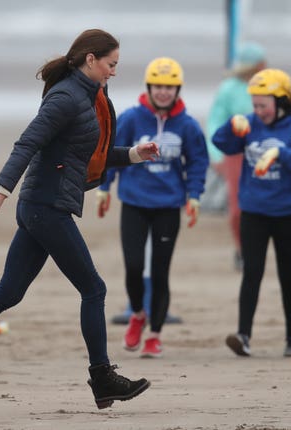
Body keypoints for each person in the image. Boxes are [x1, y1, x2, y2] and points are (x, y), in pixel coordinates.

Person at [0, 29, 158, 410]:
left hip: (42, 205)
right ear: (90, 60)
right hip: (46, 207)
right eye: (111, 65)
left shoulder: (90, 96)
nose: (114, 72)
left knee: (8, 292)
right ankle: (103, 378)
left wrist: (135, 155)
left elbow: (86, 154)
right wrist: (0, 189)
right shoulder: (65, 97)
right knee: (94, 290)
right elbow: (27, 143)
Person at [97, 57, 209, 358]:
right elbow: (113, 153)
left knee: (160, 271)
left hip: (168, 206)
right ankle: (137, 314)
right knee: (134, 267)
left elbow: (198, 161)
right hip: (134, 202)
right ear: (149, 87)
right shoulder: (132, 118)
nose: (163, 92)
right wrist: (105, 188)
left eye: (169, 87)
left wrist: (194, 195)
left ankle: (155, 335)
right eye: (158, 86)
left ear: (177, 90)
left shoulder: (187, 125)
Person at [213, 68, 291, 357]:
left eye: (264, 105)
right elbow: (221, 144)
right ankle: (243, 335)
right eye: (254, 105)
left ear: (280, 101)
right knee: (252, 273)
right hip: (254, 213)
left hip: (288, 214)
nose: (259, 111)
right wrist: (232, 125)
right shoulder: (251, 125)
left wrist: (281, 153)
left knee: (288, 275)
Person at [205, 42, 267, 271]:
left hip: (265, 151)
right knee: (238, 208)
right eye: (260, 64)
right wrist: (216, 154)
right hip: (236, 155)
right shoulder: (229, 88)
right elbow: (215, 121)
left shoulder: (268, 85)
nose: (263, 67)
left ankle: (258, 248)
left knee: (265, 205)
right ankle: (242, 249)